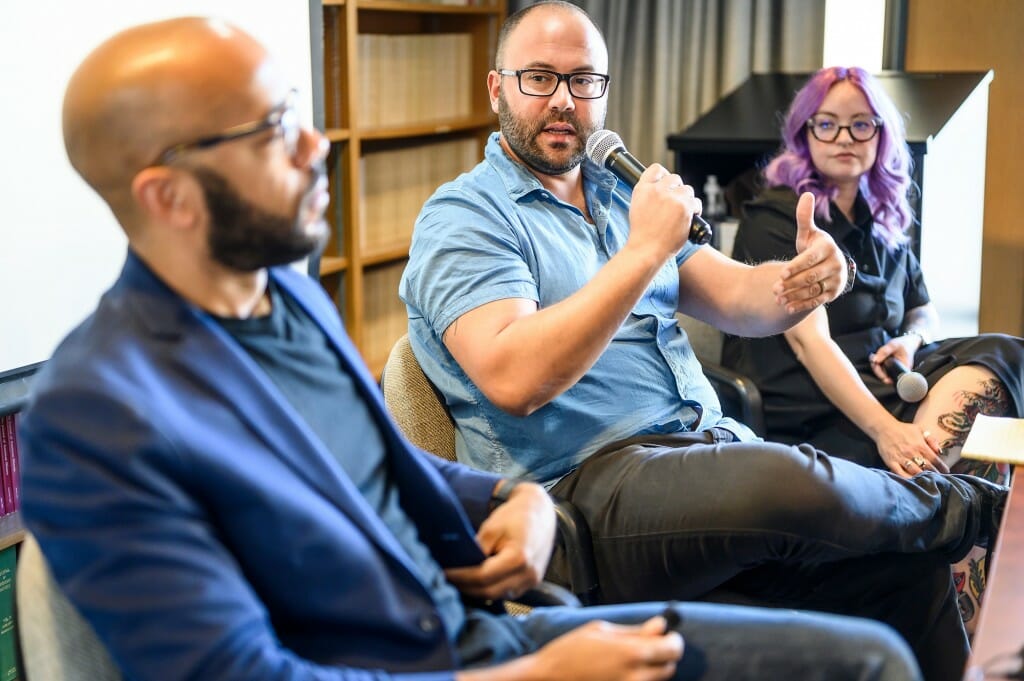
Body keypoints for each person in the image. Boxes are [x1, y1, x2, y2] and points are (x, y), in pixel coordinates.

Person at [16, 16, 931, 681]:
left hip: (481, 627)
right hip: (466, 652)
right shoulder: (98, 415)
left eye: (296, 112)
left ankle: (942, 522)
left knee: (879, 640)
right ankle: (956, 505)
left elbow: (382, 464)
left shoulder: (284, 300)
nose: (316, 144)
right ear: (168, 197)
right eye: (269, 130)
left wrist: (511, 497)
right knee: (813, 513)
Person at [398, 3, 1008, 680]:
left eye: (583, 81)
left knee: (903, 569)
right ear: (498, 88)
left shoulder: (616, 194)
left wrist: (805, 280)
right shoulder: (466, 215)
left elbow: (743, 298)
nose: (564, 101)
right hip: (586, 490)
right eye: (539, 78)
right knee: (789, 480)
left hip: (705, 458)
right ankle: (989, 514)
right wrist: (642, 252)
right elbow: (514, 376)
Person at [721, 65, 1023, 631]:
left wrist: (910, 341)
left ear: (881, 136)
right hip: (810, 407)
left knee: (1006, 353)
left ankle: (917, 498)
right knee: (972, 456)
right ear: (804, 133)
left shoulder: (884, 220)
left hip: (884, 388)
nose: (843, 139)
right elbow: (812, 347)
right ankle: (923, 510)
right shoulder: (776, 218)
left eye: (861, 126)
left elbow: (921, 309)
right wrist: (888, 431)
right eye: (827, 124)